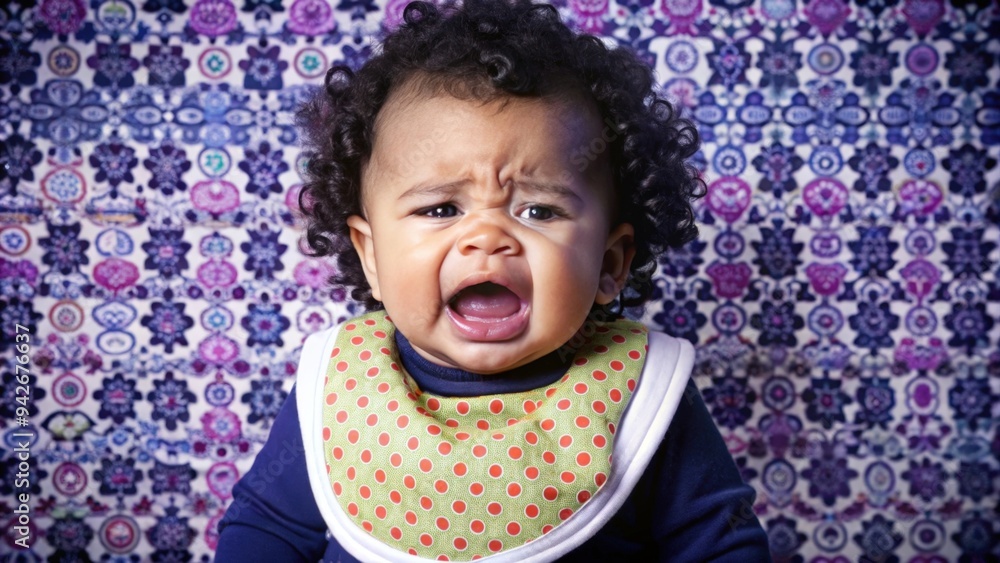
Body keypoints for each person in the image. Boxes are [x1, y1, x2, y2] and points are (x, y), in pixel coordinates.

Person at [215, 0, 771, 560]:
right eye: (440, 209)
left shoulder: (645, 394)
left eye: (539, 211)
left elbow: (723, 546)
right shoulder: (340, 384)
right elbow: (267, 531)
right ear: (373, 257)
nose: (486, 238)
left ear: (609, 263)